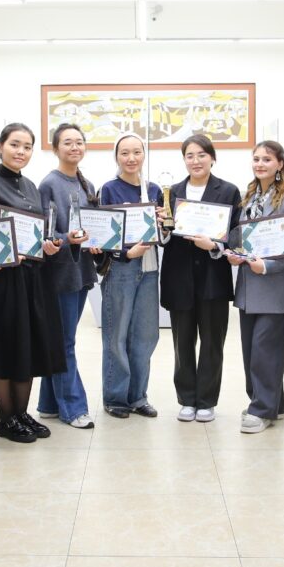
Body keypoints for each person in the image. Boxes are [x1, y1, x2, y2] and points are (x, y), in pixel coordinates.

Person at [0, 123, 65, 443]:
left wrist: (46, 246)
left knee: (27, 345)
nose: (20, 151)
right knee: (3, 346)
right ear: (0, 147)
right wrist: (6, 252)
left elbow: (37, 233)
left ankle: (22, 414)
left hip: (30, 279)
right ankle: (6, 418)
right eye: (14, 144)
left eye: (27, 146)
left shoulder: (31, 186)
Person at [160, 134, 241, 423]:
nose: (196, 161)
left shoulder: (228, 191)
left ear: (212, 157)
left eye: (201, 155)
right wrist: (163, 228)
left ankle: (206, 400)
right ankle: (186, 399)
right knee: (182, 342)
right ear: (184, 160)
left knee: (212, 342)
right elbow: (163, 237)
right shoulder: (170, 192)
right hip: (179, 276)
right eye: (190, 155)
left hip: (212, 277)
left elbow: (236, 233)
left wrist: (215, 245)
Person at [227, 141, 284, 434]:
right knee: (251, 351)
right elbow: (239, 237)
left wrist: (267, 266)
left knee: (264, 350)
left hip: (273, 285)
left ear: (280, 164)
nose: (260, 164)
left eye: (267, 159)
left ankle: (262, 410)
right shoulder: (248, 197)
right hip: (248, 286)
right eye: (256, 159)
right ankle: (273, 404)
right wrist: (233, 253)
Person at [98, 132, 163, 419]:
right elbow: (103, 234)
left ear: (144, 155)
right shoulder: (109, 189)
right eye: (124, 152)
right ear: (116, 156)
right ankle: (115, 397)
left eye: (137, 152)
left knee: (145, 337)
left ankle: (138, 397)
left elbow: (162, 234)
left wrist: (162, 224)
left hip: (149, 270)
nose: (131, 158)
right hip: (121, 270)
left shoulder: (155, 189)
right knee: (117, 337)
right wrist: (126, 253)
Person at [36, 123, 96, 429]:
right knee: (65, 342)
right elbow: (44, 233)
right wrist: (66, 239)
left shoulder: (87, 184)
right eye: (68, 142)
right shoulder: (49, 184)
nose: (74, 147)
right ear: (55, 148)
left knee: (60, 339)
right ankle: (73, 408)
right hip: (60, 273)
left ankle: (48, 404)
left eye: (79, 142)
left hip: (81, 270)